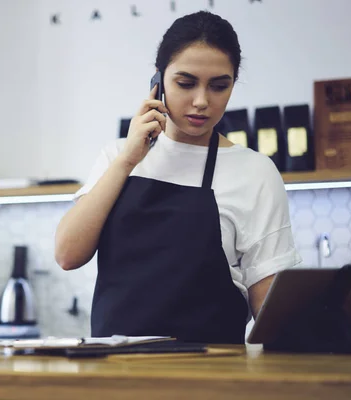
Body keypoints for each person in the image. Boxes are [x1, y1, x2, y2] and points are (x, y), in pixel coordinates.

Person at [54, 10, 302, 344]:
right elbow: (68, 255)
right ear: (157, 82)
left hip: (214, 376)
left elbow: (270, 307)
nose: (202, 102)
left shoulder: (256, 173)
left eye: (219, 86)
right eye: (185, 83)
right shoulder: (118, 157)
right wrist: (129, 159)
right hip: (115, 374)